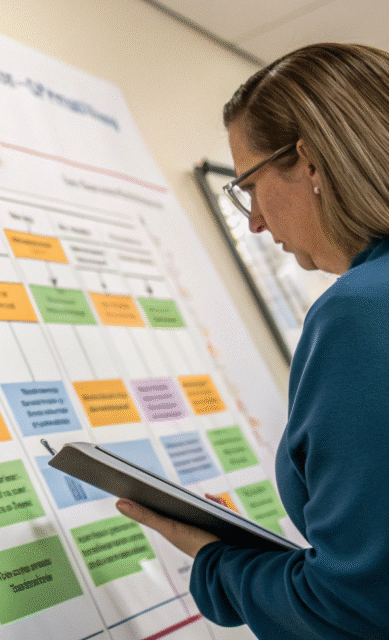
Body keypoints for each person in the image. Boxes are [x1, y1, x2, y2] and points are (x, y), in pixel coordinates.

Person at [117, 42, 389, 638]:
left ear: (309, 162)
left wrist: (217, 564)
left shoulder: (360, 312)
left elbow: (355, 611)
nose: (256, 222)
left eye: (249, 185)